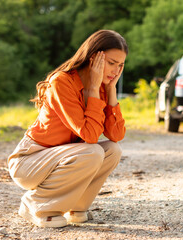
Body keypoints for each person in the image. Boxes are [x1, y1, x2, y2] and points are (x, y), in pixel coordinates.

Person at [7, 30, 128, 228]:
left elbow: (116, 135)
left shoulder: (102, 87)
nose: (116, 70)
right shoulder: (62, 82)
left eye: (121, 65)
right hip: (30, 160)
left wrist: (111, 91)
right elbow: (89, 136)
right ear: (93, 58)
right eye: (111, 63)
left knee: (113, 150)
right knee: (93, 151)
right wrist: (91, 91)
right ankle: (36, 204)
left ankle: (76, 207)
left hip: (62, 157)